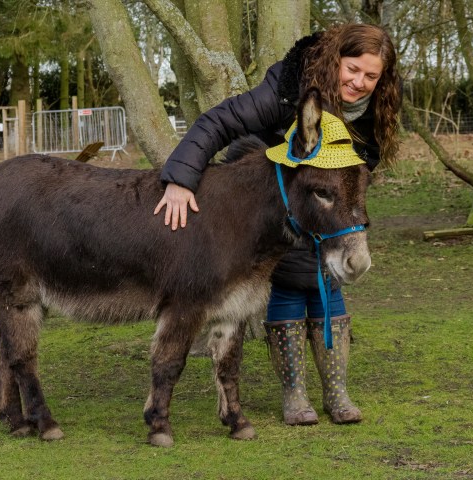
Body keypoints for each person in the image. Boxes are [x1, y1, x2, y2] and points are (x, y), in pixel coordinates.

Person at [154, 23, 401, 426]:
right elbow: (221, 121)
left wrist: (343, 207)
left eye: (371, 76)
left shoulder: (378, 104)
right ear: (336, 59)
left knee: (328, 277)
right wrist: (180, 178)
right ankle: (293, 393)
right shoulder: (288, 84)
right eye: (352, 69)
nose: (359, 82)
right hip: (267, 191)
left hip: (324, 195)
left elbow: (362, 163)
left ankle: (337, 392)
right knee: (287, 277)